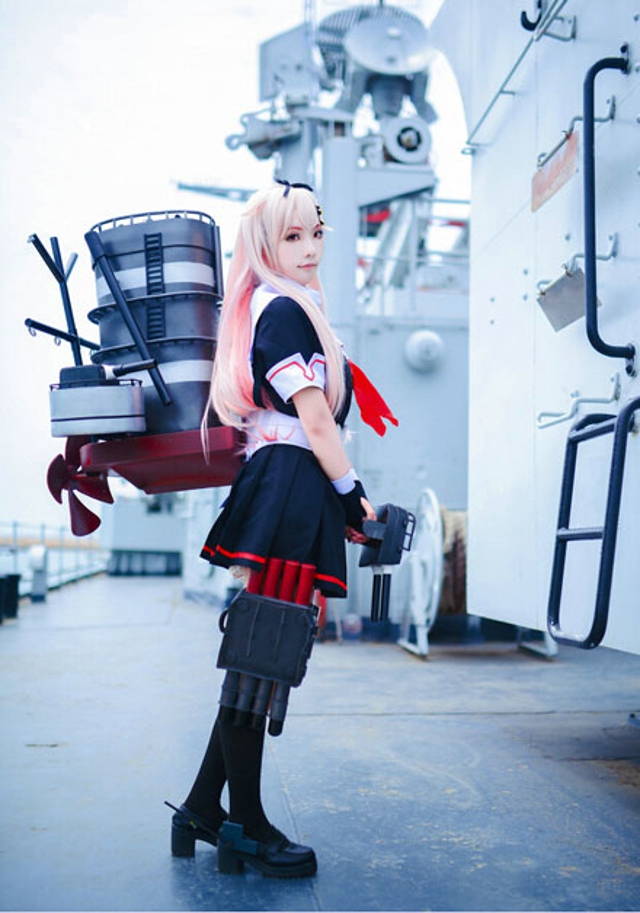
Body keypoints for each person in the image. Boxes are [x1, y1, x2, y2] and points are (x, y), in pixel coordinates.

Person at [167, 180, 395, 878]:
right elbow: (317, 421)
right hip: (290, 488)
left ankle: (203, 809)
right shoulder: (285, 311)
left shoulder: (285, 307)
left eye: (315, 233)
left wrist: (339, 499)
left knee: (259, 658)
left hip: (288, 488)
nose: (309, 248)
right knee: (262, 656)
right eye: (292, 236)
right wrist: (353, 497)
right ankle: (246, 824)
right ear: (265, 245)